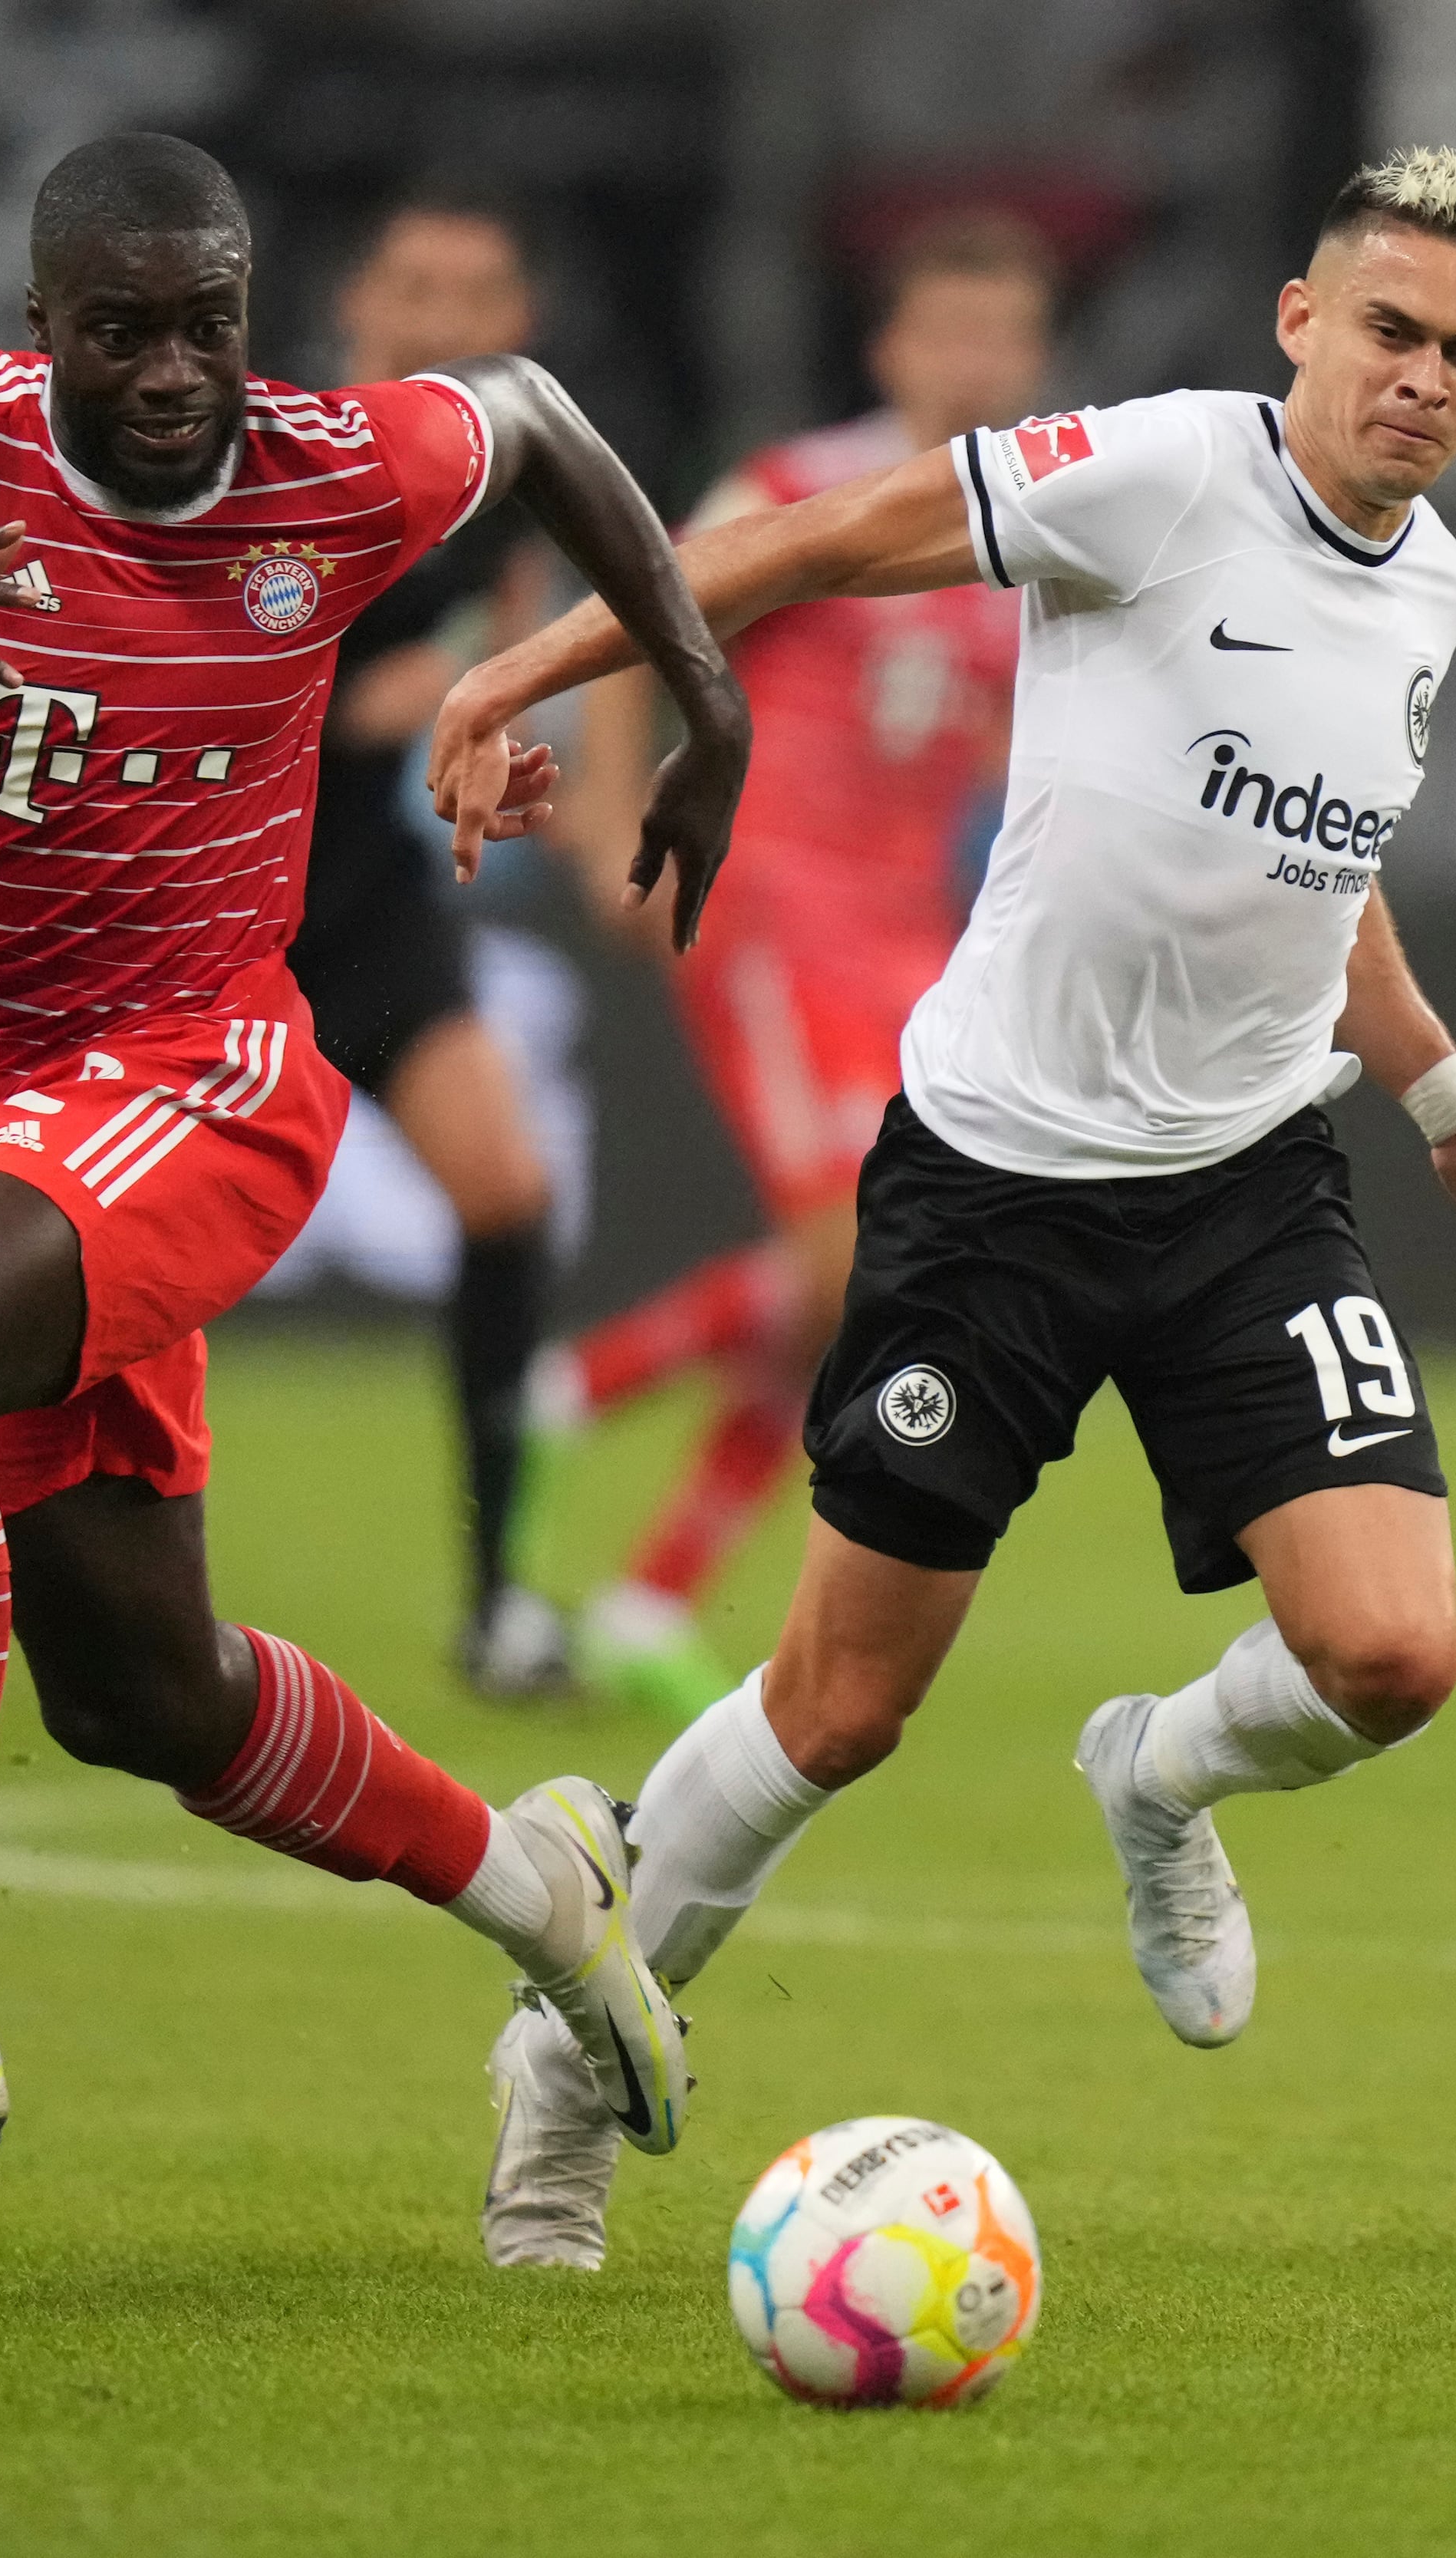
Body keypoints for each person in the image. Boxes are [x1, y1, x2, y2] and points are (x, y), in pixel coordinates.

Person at [425, 144, 1456, 2268]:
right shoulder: (1149, 475)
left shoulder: (1433, 590)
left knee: (1394, 1650)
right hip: (997, 1190)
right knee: (840, 1705)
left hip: (1250, 1186)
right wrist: (531, 681)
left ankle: (1155, 1774)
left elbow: (1320, 883)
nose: (1422, 377)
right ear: (1301, 323)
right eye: (1390, 330)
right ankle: (565, 2061)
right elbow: (797, 537)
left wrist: (1453, 1109)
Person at [0, 135, 750, 2172]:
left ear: (250, 314)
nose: (172, 374)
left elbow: (541, 426)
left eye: (208, 327)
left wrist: (710, 698)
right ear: (38, 318)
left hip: (203, 1070)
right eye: (124, 330)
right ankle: (541, 1889)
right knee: (150, 1697)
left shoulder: (332, 466)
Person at [534, 211, 1053, 1722]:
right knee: (854, 1259)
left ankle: (644, 1587)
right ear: (893, 348)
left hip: (913, 944)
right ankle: (573, 1394)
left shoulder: (1037, 531)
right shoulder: (798, 486)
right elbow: (649, 613)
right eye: (948, 329)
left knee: (888, 1284)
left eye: (1003, 335)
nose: (976, 360)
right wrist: (612, 819)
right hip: (771, 905)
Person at [288, 190, 574, 1695]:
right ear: (357, 308)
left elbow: (491, 679)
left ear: (514, 322)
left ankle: (496, 1601)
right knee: (74, 1262)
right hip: (216, 902)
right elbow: (264, 691)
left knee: (509, 1196)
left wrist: (495, 752)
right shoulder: (267, 457)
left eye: (474, 290)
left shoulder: (511, 488)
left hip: (367, 898)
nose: (442, 317)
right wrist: (396, 699)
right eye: (413, 285)